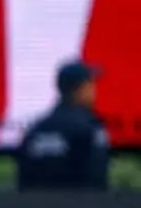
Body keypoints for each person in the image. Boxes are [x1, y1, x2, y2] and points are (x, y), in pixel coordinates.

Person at [16, 61, 110, 190]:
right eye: (91, 84)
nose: (94, 91)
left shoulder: (34, 130)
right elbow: (97, 178)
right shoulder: (89, 127)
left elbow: (23, 184)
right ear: (80, 89)